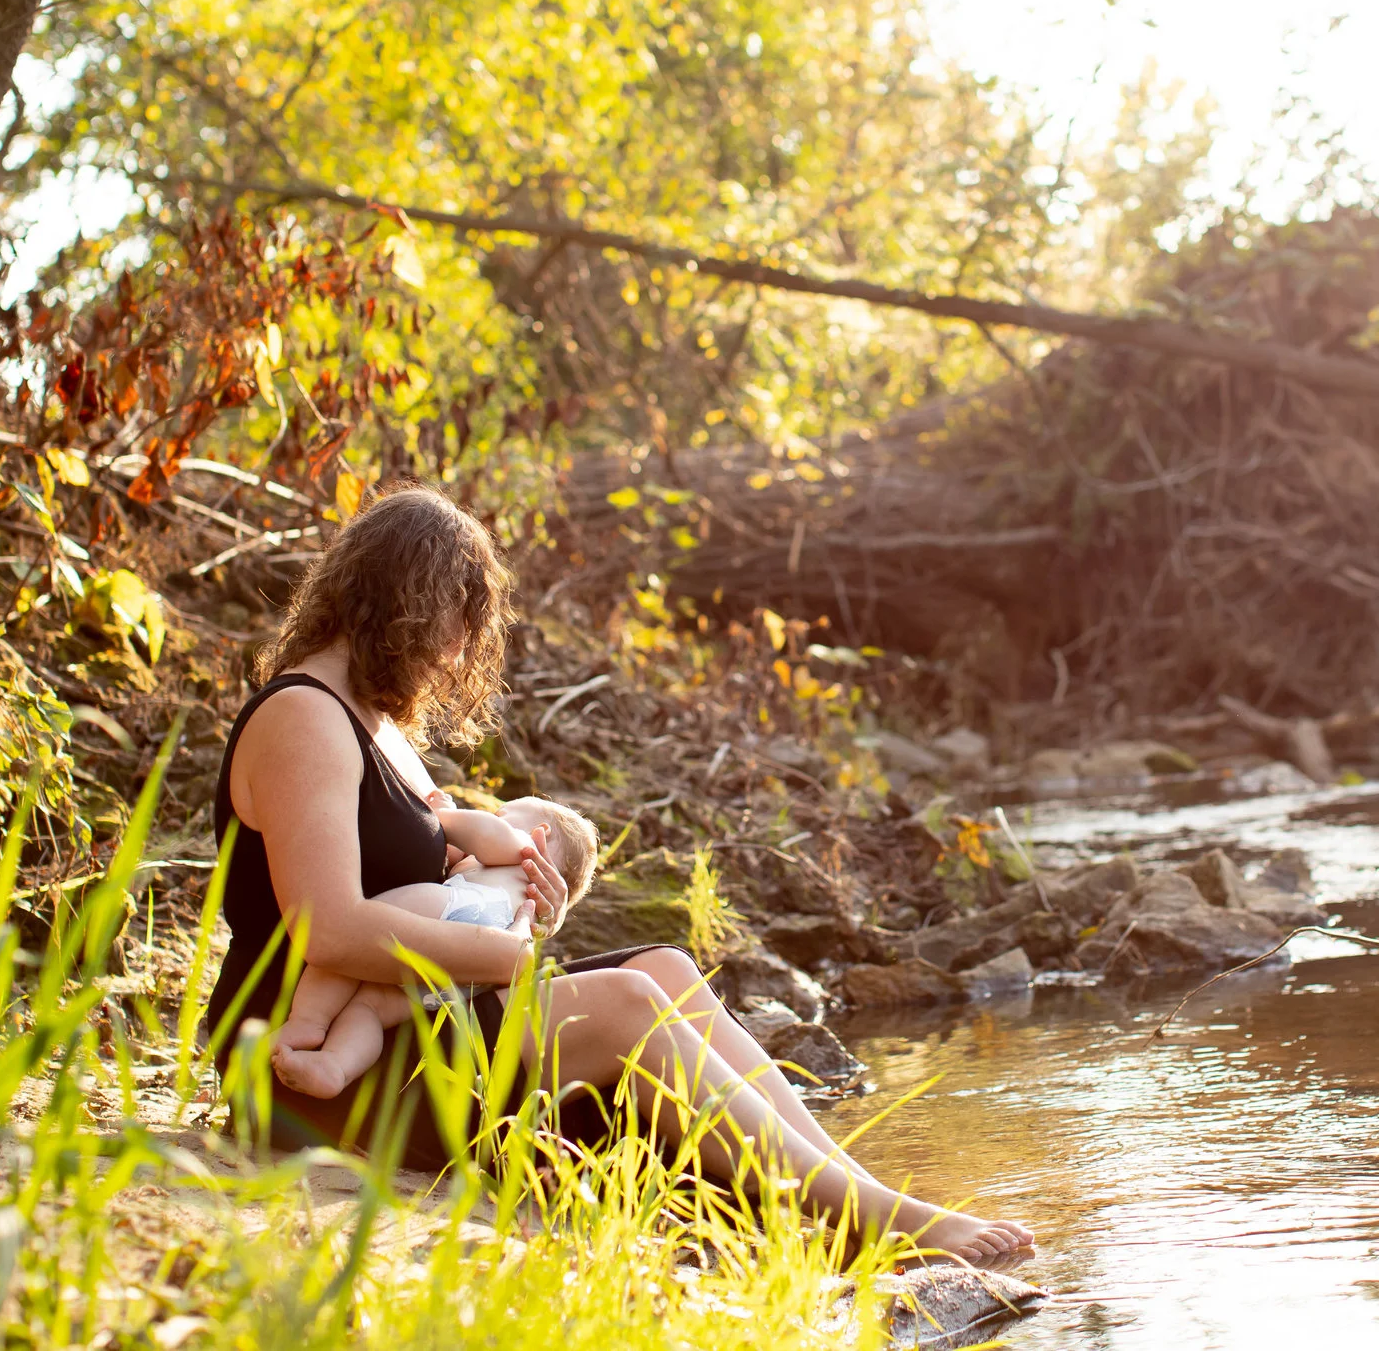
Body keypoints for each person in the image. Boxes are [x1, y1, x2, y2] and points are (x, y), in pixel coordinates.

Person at [202, 484, 1033, 1266]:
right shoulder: (303, 716)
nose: (456, 654)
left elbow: (440, 887)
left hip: (410, 1023)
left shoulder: (376, 727)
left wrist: (527, 904)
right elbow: (328, 924)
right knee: (633, 1006)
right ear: (402, 602)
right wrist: (502, 960)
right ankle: (881, 1222)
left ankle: (857, 1195)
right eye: (455, 623)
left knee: (665, 968)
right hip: (309, 1064)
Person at [269, 793, 599, 1099]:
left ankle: (307, 1022)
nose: (493, 816)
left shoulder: (524, 847)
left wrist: (440, 814)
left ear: (542, 832)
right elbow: (454, 855)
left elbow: (483, 834)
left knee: (355, 934)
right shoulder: (515, 884)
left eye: (502, 813)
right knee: (368, 1007)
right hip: (473, 975)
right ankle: (335, 1066)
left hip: (467, 905)